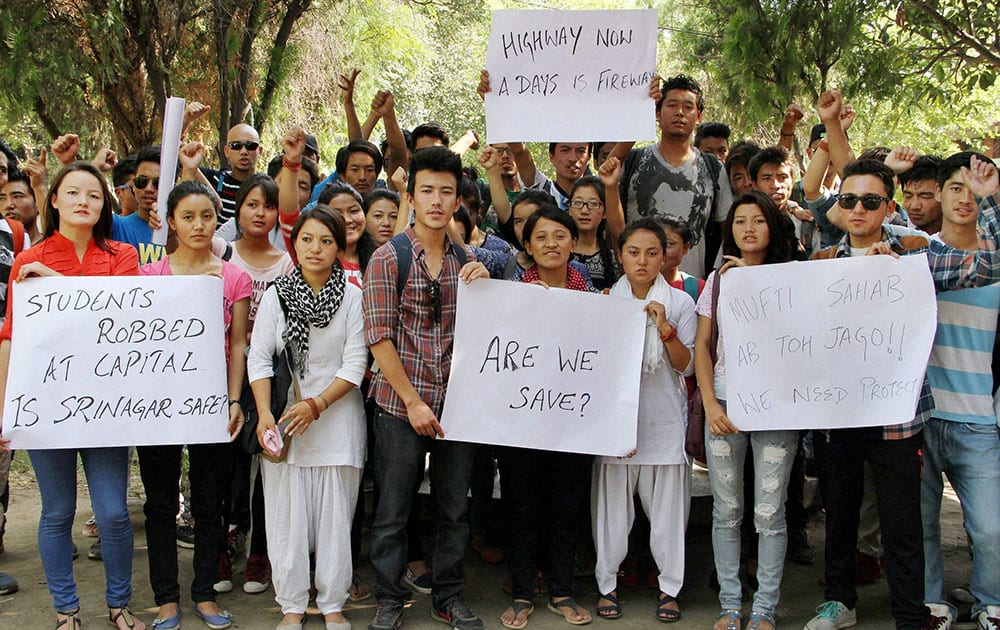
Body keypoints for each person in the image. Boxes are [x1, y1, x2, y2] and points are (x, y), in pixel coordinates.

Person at [0, 162, 145, 630]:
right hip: (47, 408)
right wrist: (5, 407)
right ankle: (66, 611)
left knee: (114, 513)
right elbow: (10, 336)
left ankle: (120, 605)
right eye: (73, 192)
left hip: (107, 406)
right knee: (57, 512)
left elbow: (111, 318)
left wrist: (54, 283)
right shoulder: (29, 259)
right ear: (55, 199)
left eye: (94, 194)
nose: (84, 201)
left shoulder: (123, 256)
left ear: (105, 205)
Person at [363, 146, 489, 630]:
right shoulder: (386, 258)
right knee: (393, 510)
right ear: (410, 197)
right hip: (399, 406)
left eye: (447, 192)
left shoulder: (470, 261)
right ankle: (390, 599)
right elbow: (378, 337)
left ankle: (448, 595)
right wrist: (412, 401)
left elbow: (490, 331)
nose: (437, 200)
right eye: (427, 191)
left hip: (458, 406)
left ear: (458, 200)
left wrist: (484, 285)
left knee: (454, 509)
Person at [137, 180, 251, 630]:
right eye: (188, 217)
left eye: (207, 216)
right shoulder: (149, 277)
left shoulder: (233, 276)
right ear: (171, 222)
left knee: (210, 503)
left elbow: (239, 344)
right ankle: (166, 599)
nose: (199, 225)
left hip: (212, 405)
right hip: (159, 406)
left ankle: (204, 593)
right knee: (160, 503)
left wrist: (234, 400)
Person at [249, 205, 367, 630]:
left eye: (325, 241)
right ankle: (293, 605)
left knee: (337, 520)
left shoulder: (354, 297)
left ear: (339, 247)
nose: (314, 249)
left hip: (338, 421)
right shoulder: (277, 296)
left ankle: (333, 602)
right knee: (286, 519)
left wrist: (317, 405)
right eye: (306, 239)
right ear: (293, 243)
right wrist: (265, 414)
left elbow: (355, 365)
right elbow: (259, 359)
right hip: (284, 424)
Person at [695, 191, 801, 630]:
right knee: (727, 510)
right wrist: (710, 403)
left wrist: (757, 288)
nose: (748, 229)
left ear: (772, 228)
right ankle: (730, 606)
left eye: (758, 220)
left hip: (778, 406)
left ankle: (764, 610)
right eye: (740, 221)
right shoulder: (719, 281)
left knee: (769, 513)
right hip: (725, 403)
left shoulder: (794, 280)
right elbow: (702, 346)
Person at [592, 218, 696, 623]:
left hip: (664, 421)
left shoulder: (680, 303)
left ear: (664, 256)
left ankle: (670, 588)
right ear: (620, 256)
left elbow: (687, 368)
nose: (643, 260)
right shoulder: (606, 302)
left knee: (669, 515)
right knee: (612, 515)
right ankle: (608, 585)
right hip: (616, 423)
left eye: (653, 252)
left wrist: (665, 328)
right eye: (633, 252)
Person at [499, 207, 595, 630]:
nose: (551, 244)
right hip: (522, 421)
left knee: (566, 505)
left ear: (574, 243)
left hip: (573, 422)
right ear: (527, 246)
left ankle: (561, 590)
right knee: (522, 505)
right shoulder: (508, 296)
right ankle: (522, 591)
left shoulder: (596, 302)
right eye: (541, 237)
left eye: (560, 235)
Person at [919, 152, 1000, 630]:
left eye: (975, 187)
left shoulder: (996, 263)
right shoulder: (919, 257)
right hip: (923, 415)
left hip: (978, 419)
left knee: (989, 529)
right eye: (954, 186)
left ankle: (990, 601)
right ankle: (933, 603)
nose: (964, 196)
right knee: (922, 524)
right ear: (940, 193)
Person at [214, 174, 295, 597]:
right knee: (229, 464)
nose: (259, 212)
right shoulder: (221, 252)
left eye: (267, 205)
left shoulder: (286, 263)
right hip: (224, 373)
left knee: (267, 460)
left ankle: (261, 550)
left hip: (270, 377)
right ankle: (230, 539)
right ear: (238, 210)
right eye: (251, 204)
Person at [613, 74, 734, 279]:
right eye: (671, 105)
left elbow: (729, 228)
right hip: (637, 287)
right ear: (657, 113)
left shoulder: (712, 168)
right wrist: (640, 113)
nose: (679, 112)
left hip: (692, 289)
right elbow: (608, 169)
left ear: (699, 117)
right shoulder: (634, 160)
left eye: (688, 107)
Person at [201, 124, 263, 221]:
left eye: (250, 146)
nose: (243, 151)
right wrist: (186, 121)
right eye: (236, 146)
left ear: (260, 151)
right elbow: (180, 162)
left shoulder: (267, 187)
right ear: (226, 151)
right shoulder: (218, 181)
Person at [567, 176, 619, 291]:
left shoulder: (612, 259)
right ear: (569, 209)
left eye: (593, 204)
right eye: (578, 203)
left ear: (605, 212)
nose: (585, 211)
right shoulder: (559, 252)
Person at [2, 169, 42, 244]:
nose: (9, 205)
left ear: (37, 202)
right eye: (2, 198)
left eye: (17, 196)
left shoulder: (52, 247)